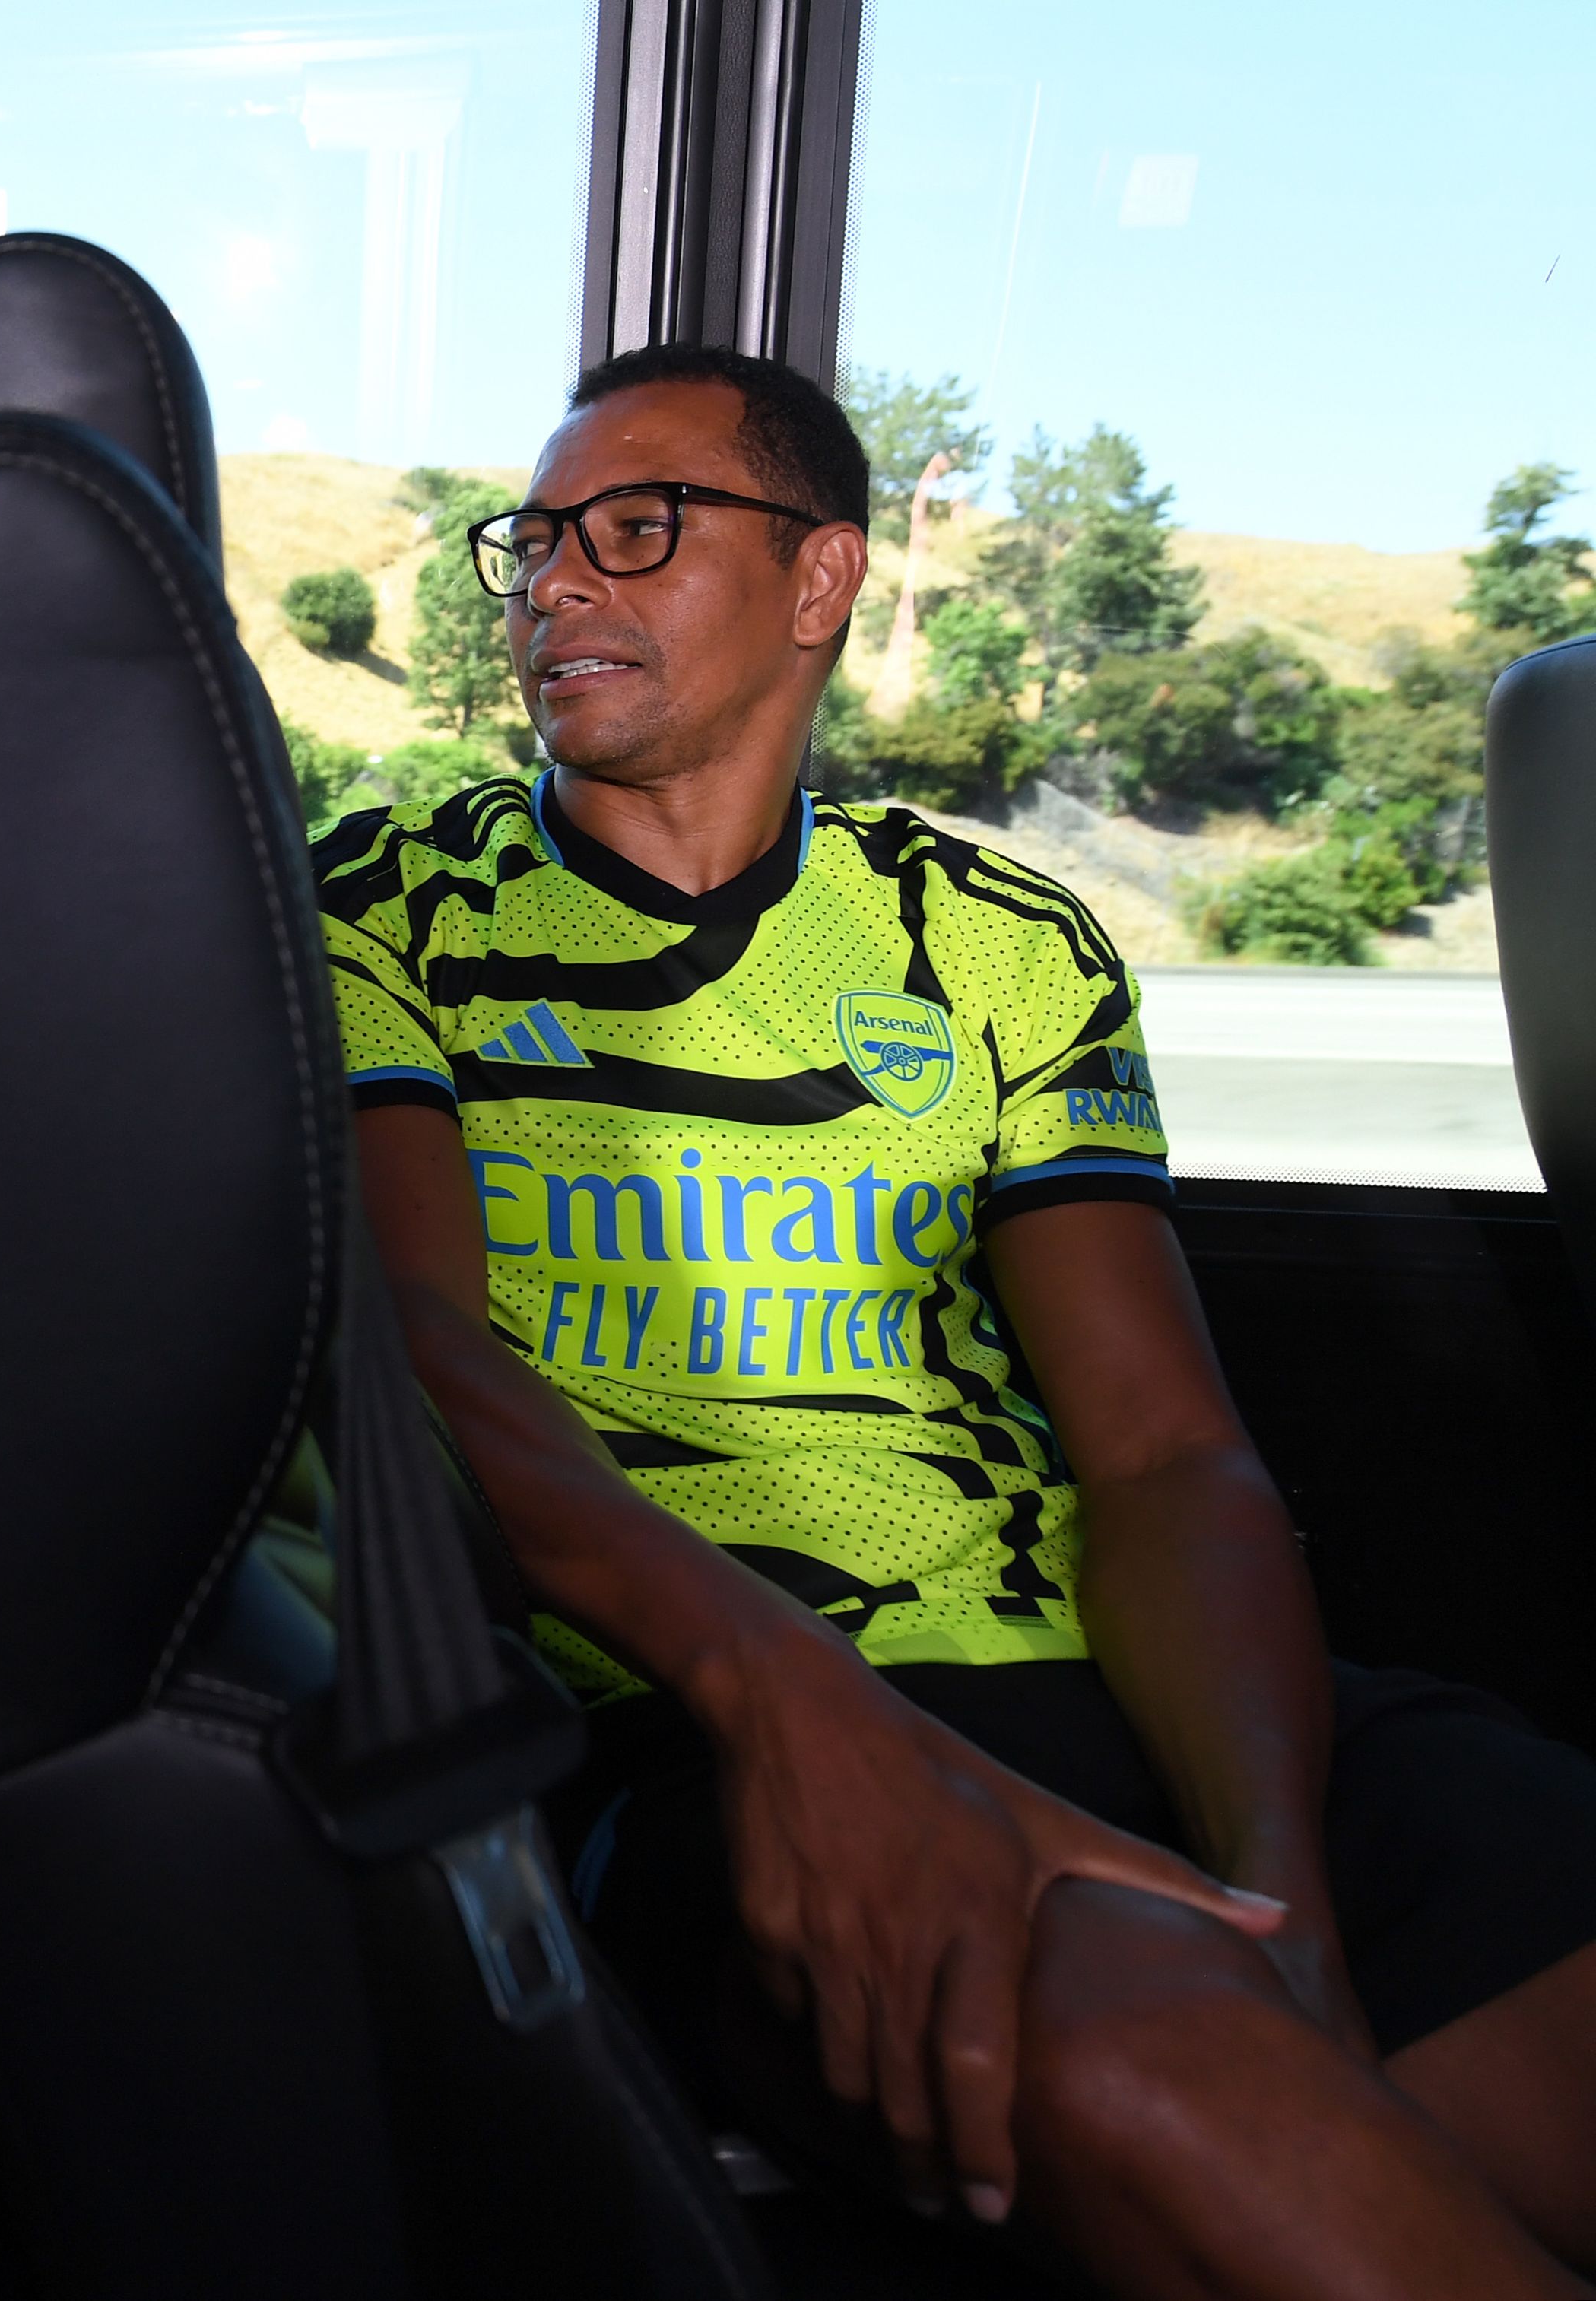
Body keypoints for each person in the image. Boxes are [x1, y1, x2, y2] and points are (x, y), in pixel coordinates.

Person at [313, 341, 1596, 2298]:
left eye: (634, 529)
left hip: (1096, 1674)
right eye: (535, 543)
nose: (552, 583)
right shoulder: (389, 907)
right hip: (698, 1717)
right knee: (1171, 2059)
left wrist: (1282, 1882)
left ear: (820, 579)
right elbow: (431, 1361)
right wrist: (795, 1713)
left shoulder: (994, 939)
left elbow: (1163, 1452)